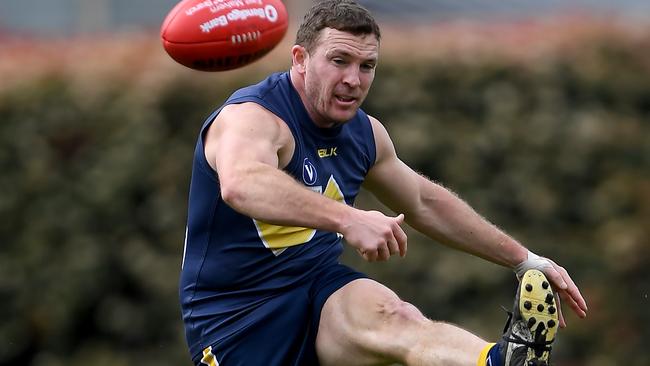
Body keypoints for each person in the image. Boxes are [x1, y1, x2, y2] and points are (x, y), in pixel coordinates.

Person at [179, 1, 588, 365]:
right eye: (339, 61)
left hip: (321, 289)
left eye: (366, 66)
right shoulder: (252, 117)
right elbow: (242, 183)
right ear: (300, 59)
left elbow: (424, 202)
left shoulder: (365, 134)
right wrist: (347, 218)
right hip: (238, 321)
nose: (354, 80)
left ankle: (495, 360)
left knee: (396, 318)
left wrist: (524, 259)